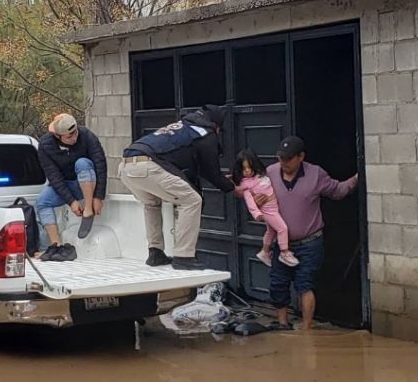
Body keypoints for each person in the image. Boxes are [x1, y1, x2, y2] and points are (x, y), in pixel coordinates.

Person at [255, 136, 358, 330]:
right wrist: (255, 201)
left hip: (310, 242)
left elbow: (338, 190)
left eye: (288, 159)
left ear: (301, 157)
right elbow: (255, 200)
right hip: (282, 243)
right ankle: (283, 324)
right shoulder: (270, 174)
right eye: (280, 158)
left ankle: (307, 328)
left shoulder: (315, 174)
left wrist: (357, 178)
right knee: (278, 283)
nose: (283, 163)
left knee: (305, 284)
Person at [119, 105, 235, 270]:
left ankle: (156, 252)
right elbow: (211, 172)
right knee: (192, 200)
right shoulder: (205, 133)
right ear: (216, 126)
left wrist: (222, 181)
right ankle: (183, 256)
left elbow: (192, 171)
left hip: (125, 166)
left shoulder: (183, 127)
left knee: (151, 203)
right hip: (149, 166)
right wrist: (231, 187)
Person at [36, 113, 107, 262]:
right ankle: (56, 245)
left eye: (75, 133)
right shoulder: (45, 145)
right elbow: (54, 176)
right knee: (42, 201)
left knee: (82, 163)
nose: (74, 138)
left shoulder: (87, 135)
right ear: (58, 136)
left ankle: (88, 211)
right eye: (69, 137)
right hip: (67, 184)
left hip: (88, 180)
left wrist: (98, 196)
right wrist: (71, 202)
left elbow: (100, 164)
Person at [231, 149, 299, 267]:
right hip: (268, 210)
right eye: (243, 169)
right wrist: (256, 213)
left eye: (249, 167)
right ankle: (284, 252)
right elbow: (249, 200)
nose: (247, 171)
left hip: (273, 206)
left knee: (271, 231)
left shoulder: (259, 176)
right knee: (282, 228)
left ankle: (265, 252)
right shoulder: (245, 184)